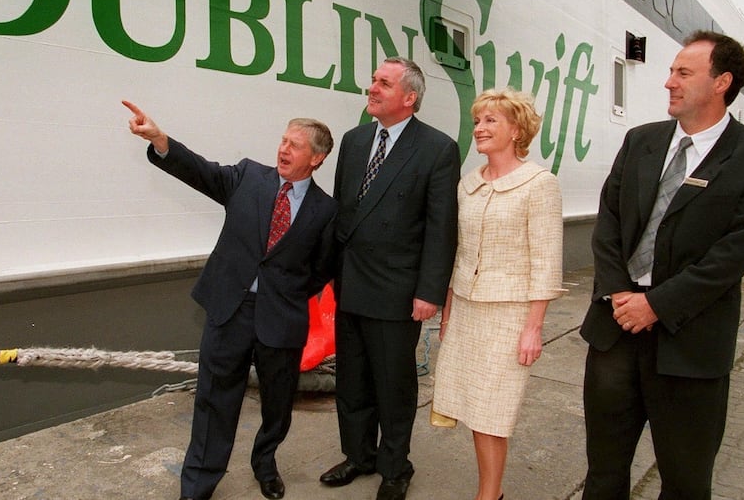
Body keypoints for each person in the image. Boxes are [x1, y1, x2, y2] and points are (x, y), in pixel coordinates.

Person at [580, 31, 744, 499]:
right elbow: (609, 224)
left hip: (690, 343)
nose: (668, 82)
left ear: (722, 82)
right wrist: (620, 293)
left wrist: (654, 305)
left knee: (685, 481)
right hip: (615, 330)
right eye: (672, 71)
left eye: (683, 73)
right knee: (603, 474)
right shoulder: (641, 142)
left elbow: (731, 256)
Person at [125, 100, 337, 500]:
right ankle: (199, 483)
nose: (283, 150)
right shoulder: (247, 177)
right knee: (214, 401)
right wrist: (160, 139)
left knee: (277, 406)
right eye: (283, 140)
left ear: (317, 157)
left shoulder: (326, 210)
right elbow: (201, 171)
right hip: (230, 311)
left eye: (295, 145)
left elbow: (322, 269)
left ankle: (265, 463)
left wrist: (284, 292)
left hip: (281, 319)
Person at [319, 57, 460, 500]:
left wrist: (429, 292)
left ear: (409, 97)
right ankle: (359, 455)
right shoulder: (354, 140)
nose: (372, 87)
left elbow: (441, 227)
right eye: (374, 80)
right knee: (353, 380)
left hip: (399, 292)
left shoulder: (437, 148)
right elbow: (344, 213)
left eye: (383, 83)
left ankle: (396, 466)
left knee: (395, 386)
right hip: (351, 284)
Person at [431, 88, 566, 500]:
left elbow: (546, 261)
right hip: (468, 311)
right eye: (478, 120)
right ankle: (490, 491)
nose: (480, 128)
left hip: (510, 314)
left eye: (491, 120)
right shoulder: (468, 184)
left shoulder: (539, 184)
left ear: (517, 129)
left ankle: (489, 495)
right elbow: (458, 253)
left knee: (494, 409)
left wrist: (534, 328)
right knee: (474, 407)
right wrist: (449, 313)